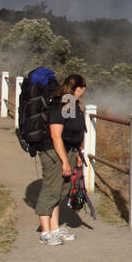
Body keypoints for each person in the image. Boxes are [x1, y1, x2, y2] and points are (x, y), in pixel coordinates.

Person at [35, 73, 87, 246]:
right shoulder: (58, 104)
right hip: (54, 153)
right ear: (78, 89)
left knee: (61, 191)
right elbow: (56, 136)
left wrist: (77, 154)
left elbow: (71, 131)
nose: (83, 93)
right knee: (50, 189)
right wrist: (64, 161)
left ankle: (55, 228)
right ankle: (45, 232)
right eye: (82, 90)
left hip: (68, 152)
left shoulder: (70, 103)